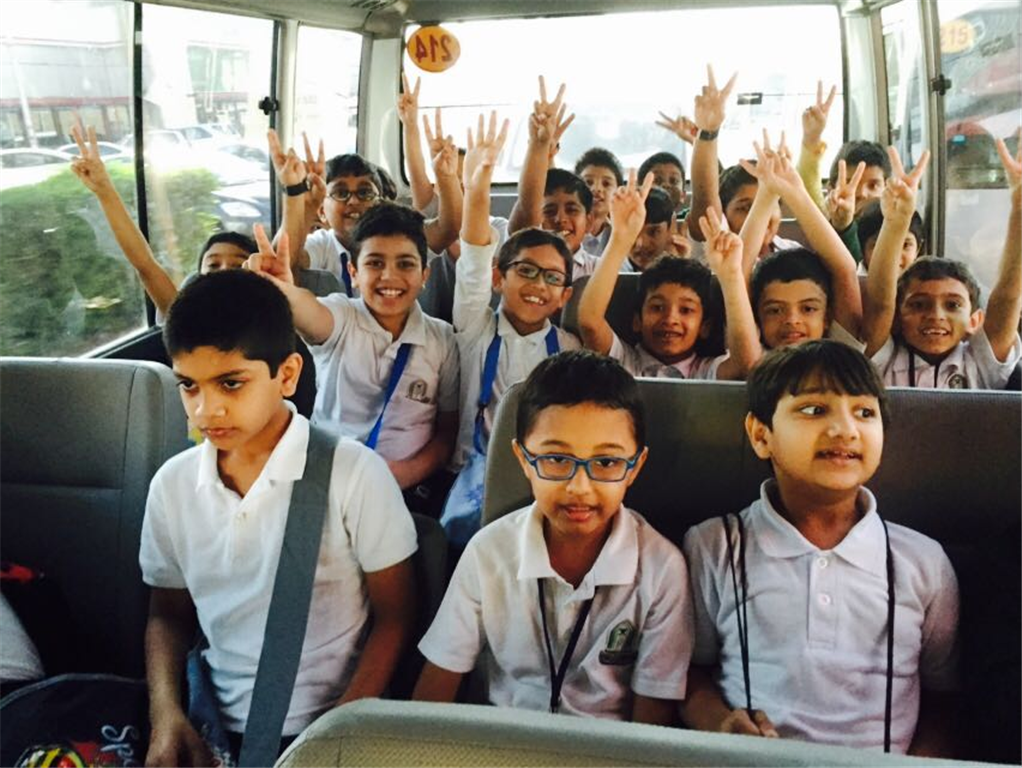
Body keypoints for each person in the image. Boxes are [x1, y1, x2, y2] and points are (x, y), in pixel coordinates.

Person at [141, 269, 416, 765]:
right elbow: (167, 614)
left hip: (331, 723)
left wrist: (344, 731)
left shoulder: (353, 473)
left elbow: (396, 616)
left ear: (287, 375)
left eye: (231, 384)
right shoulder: (172, 487)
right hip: (211, 725)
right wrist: (166, 715)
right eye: (189, 386)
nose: (206, 411)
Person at [682, 340, 959, 755]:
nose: (845, 429)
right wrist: (719, 722)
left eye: (864, 412)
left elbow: (944, 697)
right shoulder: (715, 544)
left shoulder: (923, 561)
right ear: (760, 435)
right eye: (813, 410)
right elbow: (688, 673)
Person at [414, 350, 693, 724]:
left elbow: (651, 725)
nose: (580, 487)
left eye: (606, 463)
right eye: (557, 460)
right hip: (502, 741)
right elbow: (434, 695)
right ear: (523, 459)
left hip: (609, 750)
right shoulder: (489, 552)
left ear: (635, 467)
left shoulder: (662, 569)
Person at [68, 123, 318, 417]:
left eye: (236, 264)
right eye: (213, 265)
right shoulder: (186, 318)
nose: (223, 270)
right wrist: (104, 190)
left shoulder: (270, 319)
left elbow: (287, 249)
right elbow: (144, 264)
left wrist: (294, 191)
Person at [246, 202, 460, 507]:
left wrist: (402, 475)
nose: (389, 276)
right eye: (375, 263)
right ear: (354, 273)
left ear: (424, 275)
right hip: (330, 480)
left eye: (405, 264)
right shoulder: (341, 316)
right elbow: (308, 311)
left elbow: (447, 433)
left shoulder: (443, 339)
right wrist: (282, 291)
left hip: (409, 488)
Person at [862, 142, 1022, 389]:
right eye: (918, 304)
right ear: (896, 319)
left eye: (953, 305)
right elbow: (880, 301)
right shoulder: (884, 360)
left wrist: (1020, 210)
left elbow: (1007, 297)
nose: (936, 315)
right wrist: (896, 221)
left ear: (975, 321)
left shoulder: (980, 363)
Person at [579, 171, 759, 381]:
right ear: (637, 321)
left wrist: (731, 277)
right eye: (657, 308)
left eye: (686, 310)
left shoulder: (706, 371)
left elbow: (746, 363)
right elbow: (590, 323)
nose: (670, 319)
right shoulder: (623, 360)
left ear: (705, 327)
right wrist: (620, 238)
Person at [274, 128, 460, 291]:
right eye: (341, 193)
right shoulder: (323, 244)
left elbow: (448, 229)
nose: (354, 200)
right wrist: (299, 199)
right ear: (322, 211)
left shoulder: (399, 236)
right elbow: (282, 262)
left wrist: (446, 177)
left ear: (380, 204)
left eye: (365, 193)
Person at [738, 132, 864, 349]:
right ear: (756, 317)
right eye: (775, 310)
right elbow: (737, 273)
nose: (792, 320)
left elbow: (845, 270)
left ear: (827, 318)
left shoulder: (839, 353)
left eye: (808, 309)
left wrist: (796, 193)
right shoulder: (754, 356)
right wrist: (766, 193)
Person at [508, 78, 600, 281]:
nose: (560, 219)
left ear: (589, 221)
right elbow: (529, 203)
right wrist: (538, 145)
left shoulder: (600, 269)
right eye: (549, 211)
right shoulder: (521, 258)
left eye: (572, 210)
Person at [575, 147, 623, 255]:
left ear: (618, 191)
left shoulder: (621, 235)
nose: (596, 189)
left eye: (606, 184)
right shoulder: (564, 231)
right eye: (588, 182)